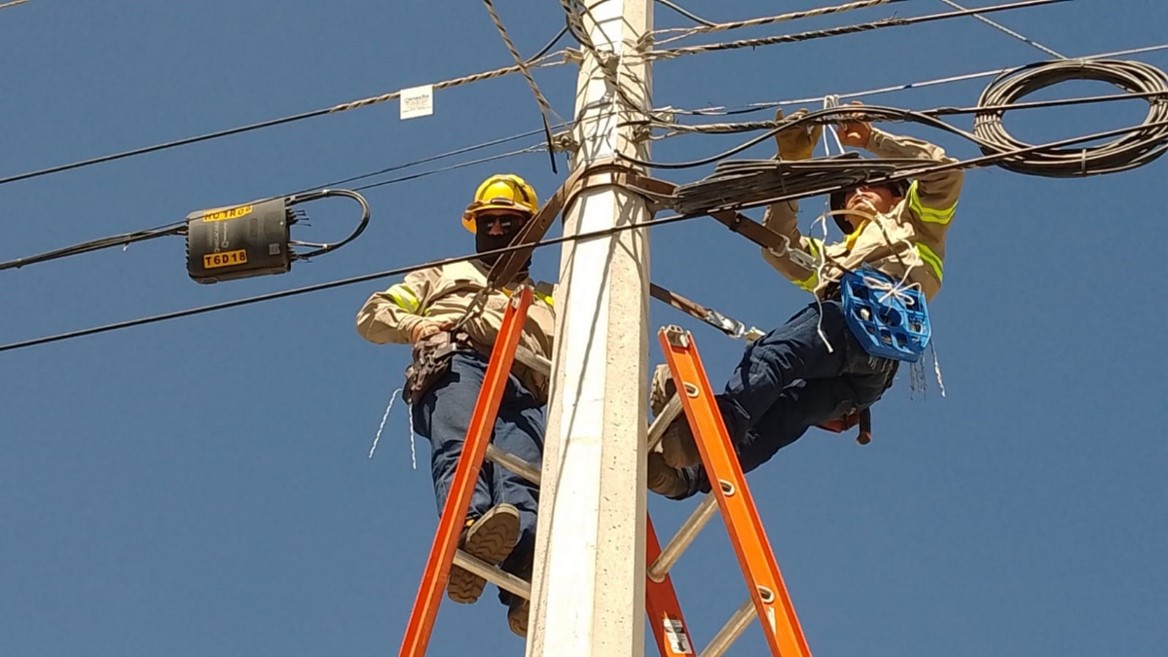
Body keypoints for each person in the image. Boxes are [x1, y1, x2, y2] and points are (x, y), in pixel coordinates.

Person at [647, 106, 964, 500]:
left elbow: (946, 172)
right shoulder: (834, 256)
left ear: (898, 191)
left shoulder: (917, 222)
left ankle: (712, 428)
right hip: (865, 372)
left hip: (860, 329)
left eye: (871, 185)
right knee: (785, 415)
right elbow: (779, 246)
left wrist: (872, 140)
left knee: (773, 357)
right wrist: (792, 165)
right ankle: (686, 478)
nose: (857, 191)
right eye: (849, 193)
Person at [356, 174, 555, 637]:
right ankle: (468, 533)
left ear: (531, 231)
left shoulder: (553, 294)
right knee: (465, 450)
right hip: (460, 360)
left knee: (523, 475)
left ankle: (522, 578)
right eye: (489, 222)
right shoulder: (445, 273)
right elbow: (372, 314)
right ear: (476, 227)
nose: (499, 231)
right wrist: (415, 327)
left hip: (523, 385)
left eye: (510, 223)